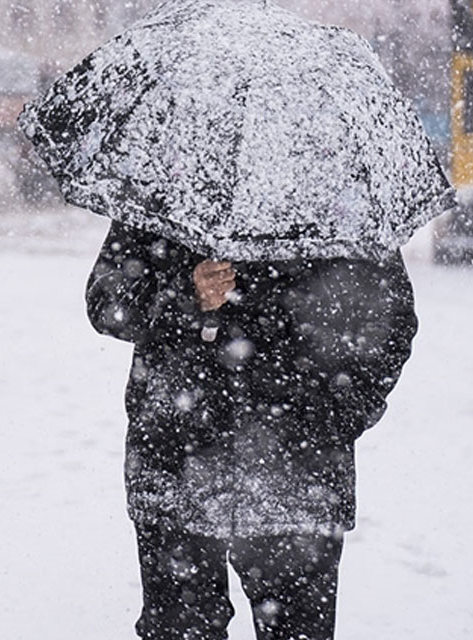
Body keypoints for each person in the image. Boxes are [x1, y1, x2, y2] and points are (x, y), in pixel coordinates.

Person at [86, 222, 418, 640]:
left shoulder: (338, 204)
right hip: (177, 465)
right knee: (180, 631)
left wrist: (335, 418)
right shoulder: (166, 195)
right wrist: (185, 294)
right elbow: (107, 302)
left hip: (298, 477)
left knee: (297, 632)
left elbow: (390, 322)